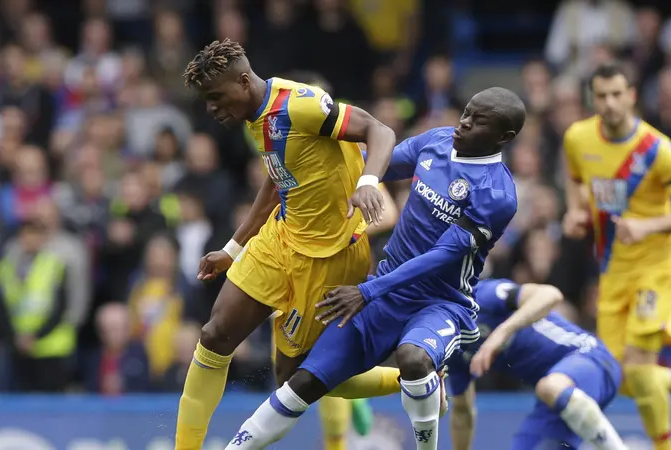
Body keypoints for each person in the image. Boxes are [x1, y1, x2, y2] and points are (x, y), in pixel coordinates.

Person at [224, 87, 524, 450]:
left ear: (503, 137)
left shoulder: (497, 194)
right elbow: (375, 164)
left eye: (479, 121)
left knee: (412, 358)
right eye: (466, 112)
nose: (464, 122)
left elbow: (441, 256)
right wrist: (315, 163)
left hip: (441, 302)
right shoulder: (438, 141)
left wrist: (367, 291)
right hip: (384, 291)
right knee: (300, 385)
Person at [174, 38, 402, 450]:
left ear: (243, 82)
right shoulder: (254, 116)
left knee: (299, 378)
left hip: (331, 256)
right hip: (280, 239)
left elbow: (379, 129)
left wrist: (368, 181)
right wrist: (232, 247)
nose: (211, 108)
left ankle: (409, 381)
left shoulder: (302, 105)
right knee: (215, 334)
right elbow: (279, 176)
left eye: (215, 97)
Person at [562, 61, 671, 450]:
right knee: (616, 377)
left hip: (659, 266)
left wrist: (647, 226)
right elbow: (576, 180)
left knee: (640, 370)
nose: (610, 103)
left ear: (631, 96)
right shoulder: (577, 138)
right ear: (592, 99)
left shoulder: (658, 150)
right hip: (614, 270)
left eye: (617, 94)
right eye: (601, 96)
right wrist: (576, 211)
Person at [448, 279, 626, 450]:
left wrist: (502, 331)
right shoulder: (454, 345)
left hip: (592, 358)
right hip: (556, 402)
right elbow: (462, 412)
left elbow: (550, 294)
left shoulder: (481, 296)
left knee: (550, 386)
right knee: (549, 389)